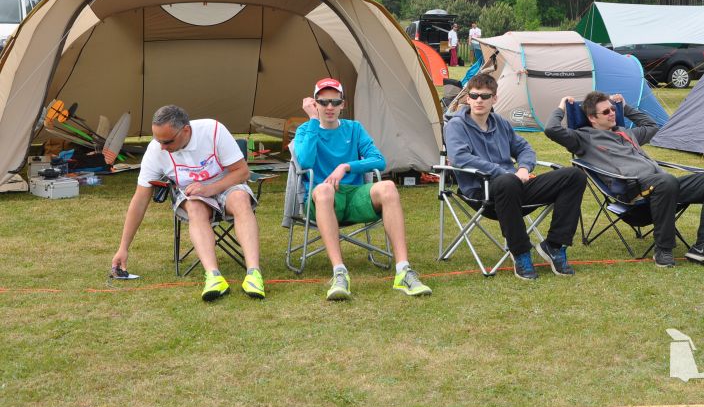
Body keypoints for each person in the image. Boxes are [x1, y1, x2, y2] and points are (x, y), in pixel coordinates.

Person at [544, 92, 704, 268]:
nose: (612, 113)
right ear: (592, 118)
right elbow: (551, 129)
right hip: (634, 192)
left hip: (664, 185)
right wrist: (561, 107)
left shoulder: (627, 133)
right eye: (606, 112)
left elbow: (652, 126)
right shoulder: (583, 138)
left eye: (613, 109)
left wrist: (625, 107)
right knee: (666, 181)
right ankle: (663, 250)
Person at [295, 77, 432, 300]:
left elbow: (379, 160)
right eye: (323, 102)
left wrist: (346, 166)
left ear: (343, 104)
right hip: (323, 199)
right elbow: (306, 161)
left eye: (335, 102)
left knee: (388, 186)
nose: (329, 107)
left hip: (354, 195)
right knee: (324, 190)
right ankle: (339, 273)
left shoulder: (354, 129)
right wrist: (312, 120)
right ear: (314, 103)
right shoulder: (305, 130)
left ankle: (403, 270)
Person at [112, 105, 266, 301]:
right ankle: (213, 276)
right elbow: (140, 199)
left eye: (167, 141)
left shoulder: (213, 130)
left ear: (185, 130)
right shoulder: (155, 150)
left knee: (240, 199)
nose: (162, 147)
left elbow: (242, 172)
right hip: (193, 195)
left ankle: (254, 274)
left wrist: (210, 189)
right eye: (157, 140)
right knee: (195, 206)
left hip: (227, 184)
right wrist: (123, 247)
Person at [444, 73, 587, 280]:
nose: (479, 100)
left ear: (494, 98)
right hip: (482, 192)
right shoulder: (456, 125)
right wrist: (505, 172)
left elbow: (524, 148)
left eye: (485, 96)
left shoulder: (500, 122)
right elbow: (460, 158)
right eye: (474, 96)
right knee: (507, 180)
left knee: (574, 176)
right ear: (468, 98)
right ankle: (520, 252)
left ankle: (555, 245)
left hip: (515, 187)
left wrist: (524, 169)